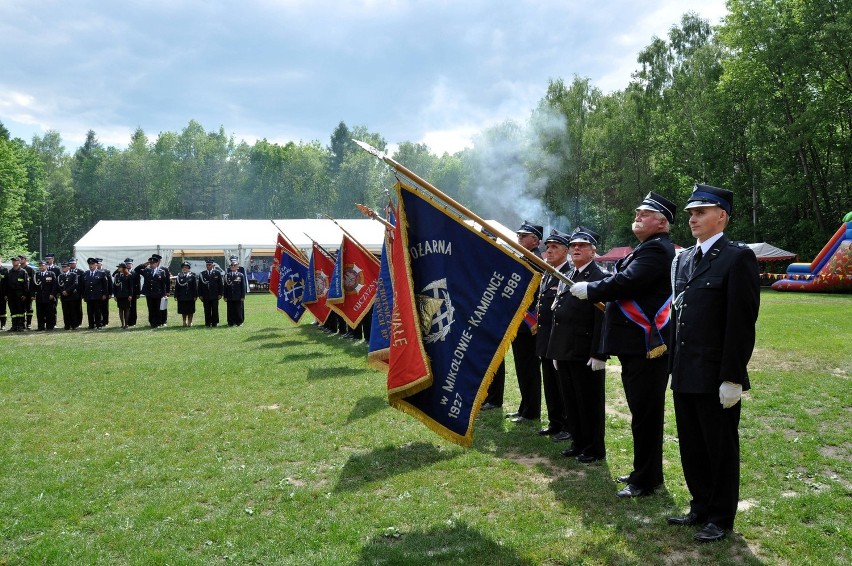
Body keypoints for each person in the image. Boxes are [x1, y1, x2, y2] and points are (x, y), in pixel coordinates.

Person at [666, 184, 760, 543]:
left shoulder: (737, 258)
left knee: (719, 446)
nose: (692, 218)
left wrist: (733, 377)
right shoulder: (686, 258)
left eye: (700, 212)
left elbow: (740, 323)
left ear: (721, 216)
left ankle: (721, 516)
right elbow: (680, 317)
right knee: (690, 443)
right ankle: (700, 505)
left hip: (716, 373)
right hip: (686, 369)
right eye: (691, 213)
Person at [570, 192, 676, 498]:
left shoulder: (657, 251)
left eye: (645, 213)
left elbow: (625, 283)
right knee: (642, 413)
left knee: (646, 414)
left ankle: (645, 480)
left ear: (661, 221)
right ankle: (645, 472)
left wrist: (591, 289)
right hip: (637, 347)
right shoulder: (647, 249)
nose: (638, 216)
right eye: (638, 211)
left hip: (647, 346)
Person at [548, 228, 608, 462]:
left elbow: (601, 318)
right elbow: (558, 313)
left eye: (582, 246)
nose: (576, 249)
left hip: (585, 351)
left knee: (589, 402)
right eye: (573, 246)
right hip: (565, 350)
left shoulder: (599, 276)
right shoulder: (569, 274)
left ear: (593, 251)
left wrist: (599, 353)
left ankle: (593, 448)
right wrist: (556, 350)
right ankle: (578, 442)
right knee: (571, 401)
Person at [496, 222, 543, 425]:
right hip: (519, 322)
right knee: (522, 368)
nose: (519, 240)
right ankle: (525, 407)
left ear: (535, 240)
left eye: (524, 236)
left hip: (529, 323)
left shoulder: (537, 261)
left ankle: (531, 411)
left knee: (529, 368)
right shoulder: (526, 258)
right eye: (519, 236)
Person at [531, 230, 573, 435]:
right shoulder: (549, 273)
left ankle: (567, 425)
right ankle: (555, 421)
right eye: (547, 247)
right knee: (549, 382)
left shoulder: (568, 274)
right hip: (545, 337)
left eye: (555, 247)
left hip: (560, 339)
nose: (549, 251)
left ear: (566, 250)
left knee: (561, 384)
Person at [135, 254, 170, 328]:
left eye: (153, 263)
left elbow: (163, 284)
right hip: (149, 293)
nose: (151, 264)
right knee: (151, 308)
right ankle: (152, 322)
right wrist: (144, 265)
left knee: (158, 308)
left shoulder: (162, 271)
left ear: (157, 263)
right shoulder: (147, 270)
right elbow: (136, 270)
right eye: (150, 263)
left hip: (158, 293)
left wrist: (165, 293)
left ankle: (158, 322)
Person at [82, 257, 109, 330]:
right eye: (90, 264)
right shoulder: (86, 273)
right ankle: (91, 324)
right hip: (89, 296)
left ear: (96, 264)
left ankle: (98, 324)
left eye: (93, 264)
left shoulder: (101, 273)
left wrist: (104, 294)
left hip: (97, 296)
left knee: (97, 311)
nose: (91, 265)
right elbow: (83, 285)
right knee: (90, 311)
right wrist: (84, 295)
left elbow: (105, 285)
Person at [5, 256, 30, 331]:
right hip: (11, 295)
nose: (14, 262)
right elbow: (6, 284)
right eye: (13, 261)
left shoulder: (23, 272)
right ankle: (14, 325)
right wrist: (6, 294)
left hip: (20, 295)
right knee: (13, 311)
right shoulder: (9, 272)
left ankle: (21, 325)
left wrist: (25, 294)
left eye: (15, 261)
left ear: (19, 262)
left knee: (21, 311)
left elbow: (26, 284)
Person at [34, 260, 59, 330]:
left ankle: (50, 326)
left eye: (42, 265)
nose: (41, 267)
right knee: (40, 313)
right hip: (39, 297)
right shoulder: (36, 275)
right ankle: (41, 326)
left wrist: (52, 294)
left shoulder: (51, 274)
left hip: (49, 297)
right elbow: (33, 286)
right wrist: (32, 295)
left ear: (46, 266)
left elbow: (54, 285)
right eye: (40, 266)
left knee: (50, 312)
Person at [198, 258, 223, 327]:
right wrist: (200, 295)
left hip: (215, 295)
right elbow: (199, 285)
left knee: (215, 309)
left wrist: (220, 294)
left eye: (210, 265)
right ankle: (207, 323)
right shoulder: (202, 274)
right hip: (205, 295)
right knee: (207, 309)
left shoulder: (217, 273)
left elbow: (220, 284)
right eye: (207, 265)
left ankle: (215, 322)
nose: (208, 266)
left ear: (212, 265)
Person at [58, 261, 82, 330]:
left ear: (68, 267)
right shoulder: (60, 276)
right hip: (64, 297)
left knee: (73, 311)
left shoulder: (73, 275)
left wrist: (67, 291)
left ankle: (74, 325)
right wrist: (62, 291)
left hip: (72, 296)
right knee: (65, 311)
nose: (63, 268)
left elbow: (75, 284)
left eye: (65, 267)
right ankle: (67, 325)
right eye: (62, 267)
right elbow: (58, 285)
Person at [174, 261, 199, 326]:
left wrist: (196, 295)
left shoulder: (192, 276)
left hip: (190, 296)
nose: (184, 269)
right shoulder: (179, 276)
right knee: (183, 310)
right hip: (182, 296)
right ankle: (184, 321)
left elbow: (195, 287)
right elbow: (177, 286)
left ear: (189, 268)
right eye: (183, 267)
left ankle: (190, 322)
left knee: (190, 310)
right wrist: (175, 295)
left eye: (186, 267)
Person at [112, 262, 134, 329]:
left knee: (127, 309)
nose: (118, 268)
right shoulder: (117, 275)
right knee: (120, 309)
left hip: (126, 295)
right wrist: (115, 295)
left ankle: (126, 324)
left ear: (124, 268)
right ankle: (122, 324)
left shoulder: (128, 275)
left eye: (120, 267)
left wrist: (130, 295)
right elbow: (115, 286)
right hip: (119, 295)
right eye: (118, 267)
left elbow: (131, 286)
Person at [223, 258, 246, 326]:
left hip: (238, 296)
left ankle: (239, 322)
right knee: (230, 310)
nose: (233, 266)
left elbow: (243, 287)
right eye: (231, 265)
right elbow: (225, 287)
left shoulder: (241, 275)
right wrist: (225, 296)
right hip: (230, 295)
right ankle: (230, 322)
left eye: (234, 265)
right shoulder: (227, 275)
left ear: (237, 267)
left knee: (238, 309)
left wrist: (243, 296)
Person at [19, 255, 36, 329]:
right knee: (21, 309)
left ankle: (28, 323)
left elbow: (33, 283)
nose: (20, 260)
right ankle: (22, 323)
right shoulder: (18, 269)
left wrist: (32, 294)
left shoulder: (30, 269)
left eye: (22, 259)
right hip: (20, 293)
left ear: (25, 260)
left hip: (28, 293)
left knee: (29, 308)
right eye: (19, 259)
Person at [0, 253, 8, 330]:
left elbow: (7, 283)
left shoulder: (4, 270)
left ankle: (3, 324)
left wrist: (6, 294)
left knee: (2, 309)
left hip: (2, 294)